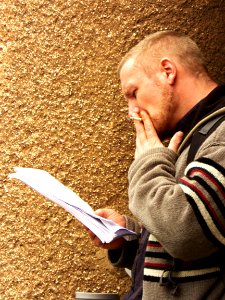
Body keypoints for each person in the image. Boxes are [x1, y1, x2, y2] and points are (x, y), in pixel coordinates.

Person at [87, 31, 225, 299]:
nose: (132, 111)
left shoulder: (221, 134)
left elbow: (186, 231)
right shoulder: (193, 135)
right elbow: (205, 244)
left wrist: (148, 164)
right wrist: (128, 238)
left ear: (168, 71)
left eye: (133, 93)